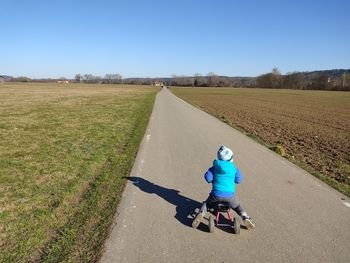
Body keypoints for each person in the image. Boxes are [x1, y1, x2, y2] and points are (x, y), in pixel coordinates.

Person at [192, 145, 255, 229]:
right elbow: (238, 180)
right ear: (231, 158)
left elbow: (208, 178)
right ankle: (245, 217)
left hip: (216, 195)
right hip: (230, 196)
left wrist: (212, 179)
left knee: (207, 204)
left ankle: (201, 213)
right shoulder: (234, 168)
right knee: (237, 206)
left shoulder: (214, 167)